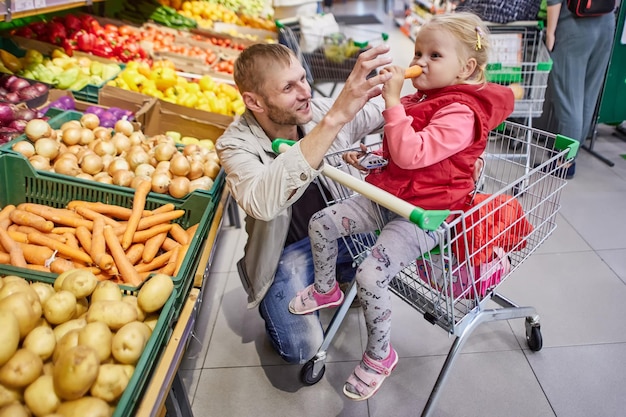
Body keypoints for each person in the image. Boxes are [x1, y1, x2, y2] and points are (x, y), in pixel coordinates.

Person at [289, 12, 515, 400]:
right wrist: (372, 157)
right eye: (418, 52)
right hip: (393, 195)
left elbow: (413, 154)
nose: (419, 62)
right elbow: (399, 150)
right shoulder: (424, 98)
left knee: (370, 274)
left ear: (467, 67)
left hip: (428, 214)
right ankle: (327, 290)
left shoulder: (461, 114)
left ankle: (380, 355)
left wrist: (392, 101)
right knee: (322, 221)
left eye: (434, 55)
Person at [215, 42, 392, 365]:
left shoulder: (318, 110)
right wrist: (335, 119)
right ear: (254, 101)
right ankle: (307, 286)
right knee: (301, 349)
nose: (304, 92)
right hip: (290, 253)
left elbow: (383, 111)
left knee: (395, 226)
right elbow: (262, 203)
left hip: (342, 230)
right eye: (288, 87)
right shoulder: (234, 144)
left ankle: (341, 273)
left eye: (302, 79)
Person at [544, 0, 616, 178]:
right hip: (606, 23)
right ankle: (571, 153)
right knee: (587, 96)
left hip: (574, 27)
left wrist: (550, 33)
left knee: (569, 100)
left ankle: (564, 163)